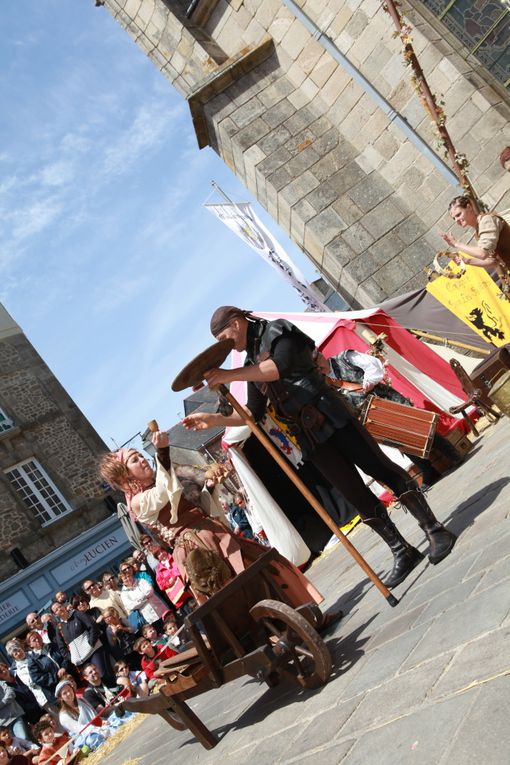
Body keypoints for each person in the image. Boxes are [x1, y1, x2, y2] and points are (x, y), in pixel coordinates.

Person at [182, 306, 457, 590]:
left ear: (236, 323)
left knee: (380, 468)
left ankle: (434, 529)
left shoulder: (278, 330)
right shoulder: (250, 361)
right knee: (354, 493)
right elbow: (252, 413)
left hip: (330, 412)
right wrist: (213, 419)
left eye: (223, 336)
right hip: (306, 434)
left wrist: (229, 375)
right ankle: (402, 550)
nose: (223, 344)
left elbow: (278, 368)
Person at [99, 434, 324, 612]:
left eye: (140, 454)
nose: (141, 460)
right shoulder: (138, 502)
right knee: (238, 590)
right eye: (134, 460)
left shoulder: (164, 478)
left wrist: (211, 486)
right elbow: (164, 492)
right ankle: (276, 631)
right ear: (124, 477)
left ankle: (306, 612)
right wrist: (162, 452)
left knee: (266, 563)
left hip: (212, 531)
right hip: (195, 549)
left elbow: (199, 508)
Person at [323, 348, 461, 488]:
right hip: (367, 414)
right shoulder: (322, 382)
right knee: (396, 439)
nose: (318, 367)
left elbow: (373, 364)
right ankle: (428, 470)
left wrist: (368, 382)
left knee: (418, 427)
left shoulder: (346, 358)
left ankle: (451, 453)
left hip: (384, 399)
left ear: (319, 354)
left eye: (316, 360)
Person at [441, 195, 510, 295]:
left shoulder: (487, 220)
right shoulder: (478, 232)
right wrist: (465, 260)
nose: (456, 220)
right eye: (454, 218)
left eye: (458, 214)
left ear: (469, 207)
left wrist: (456, 243)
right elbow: (493, 262)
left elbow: (482, 253)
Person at [55, 679, 107, 752]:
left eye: (69, 690)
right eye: (64, 693)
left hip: (97, 726)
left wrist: (102, 721)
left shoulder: (81, 700)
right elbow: (79, 729)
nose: (69, 694)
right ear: (61, 698)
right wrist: (98, 729)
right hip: (84, 737)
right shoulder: (63, 716)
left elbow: (94, 713)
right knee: (95, 739)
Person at [118, 561, 168, 634]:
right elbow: (131, 606)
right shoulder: (124, 593)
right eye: (125, 578)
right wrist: (144, 599)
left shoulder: (141, 581)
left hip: (160, 610)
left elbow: (150, 590)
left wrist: (139, 600)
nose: (128, 579)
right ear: (122, 581)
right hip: (150, 617)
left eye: (129, 576)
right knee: (161, 633)